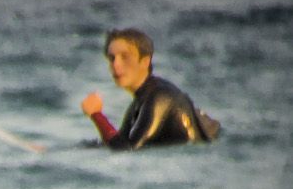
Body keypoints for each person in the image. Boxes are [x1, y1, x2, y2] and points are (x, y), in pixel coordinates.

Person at [80, 28, 219, 149]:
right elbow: (118, 142)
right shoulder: (140, 102)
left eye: (125, 57)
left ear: (145, 61)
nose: (116, 65)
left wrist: (97, 115)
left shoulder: (160, 97)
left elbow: (128, 150)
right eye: (111, 58)